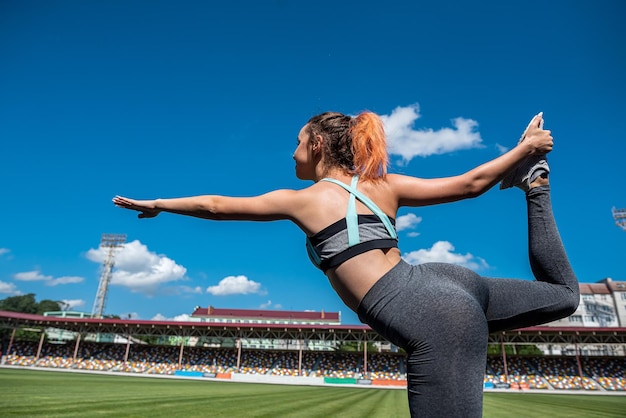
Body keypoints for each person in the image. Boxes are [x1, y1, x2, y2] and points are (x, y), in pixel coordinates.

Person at [113, 111, 579, 417]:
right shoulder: (384, 186)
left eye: (296, 141)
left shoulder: (304, 200)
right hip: (443, 282)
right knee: (564, 296)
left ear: (316, 143)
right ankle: (535, 184)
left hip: (432, 312)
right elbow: (472, 183)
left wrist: (158, 203)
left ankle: (531, 173)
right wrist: (524, 153)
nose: (291, 151)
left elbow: (215, 205)